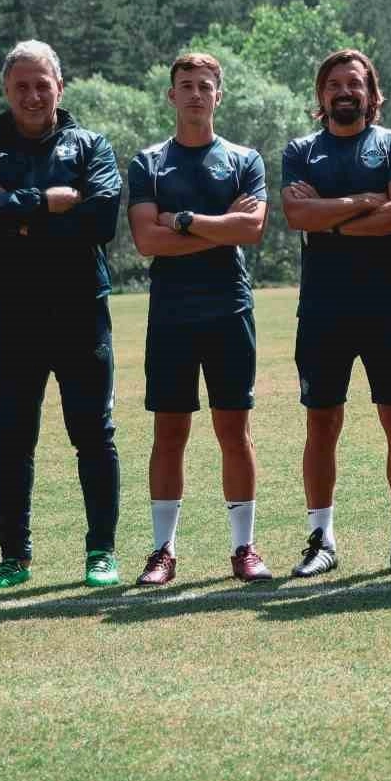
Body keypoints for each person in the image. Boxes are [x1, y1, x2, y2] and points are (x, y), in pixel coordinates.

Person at [0, 40, 125, 589]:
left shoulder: (91, 146)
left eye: (41, 84)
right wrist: (44, 203)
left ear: (59, 87)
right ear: (6, 90)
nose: (31, 95)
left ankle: (101, 551)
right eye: (21, 86)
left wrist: (11, 214)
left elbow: (99, 220)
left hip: (80, 314)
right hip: (9, 320)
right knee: (11, 440)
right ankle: (14, 558)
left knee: (93, 435)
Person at [280, 49, 391, 577]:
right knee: (321, 422)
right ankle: (321, 539)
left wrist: (329, 219)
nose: (344, 92)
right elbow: (296, 213)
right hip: (323, 308)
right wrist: (362, 203)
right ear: (321, 96)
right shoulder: (301, 151)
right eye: (334, 85)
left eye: (354, 83)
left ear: (371, 93)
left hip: (386, 306)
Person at [126, 53, 272, 586]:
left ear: (218, 96)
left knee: (235, 431)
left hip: (229, 309)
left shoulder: (244, 159)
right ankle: (163, 551)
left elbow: (250, 230)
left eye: (204, 86)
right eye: (185, 85)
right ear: (172, 95)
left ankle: (244, 548)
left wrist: (184, 221)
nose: (195, 94)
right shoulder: (148, 163)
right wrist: (219, 226)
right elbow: (147, 241)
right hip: (171, 315)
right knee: (169, 432)